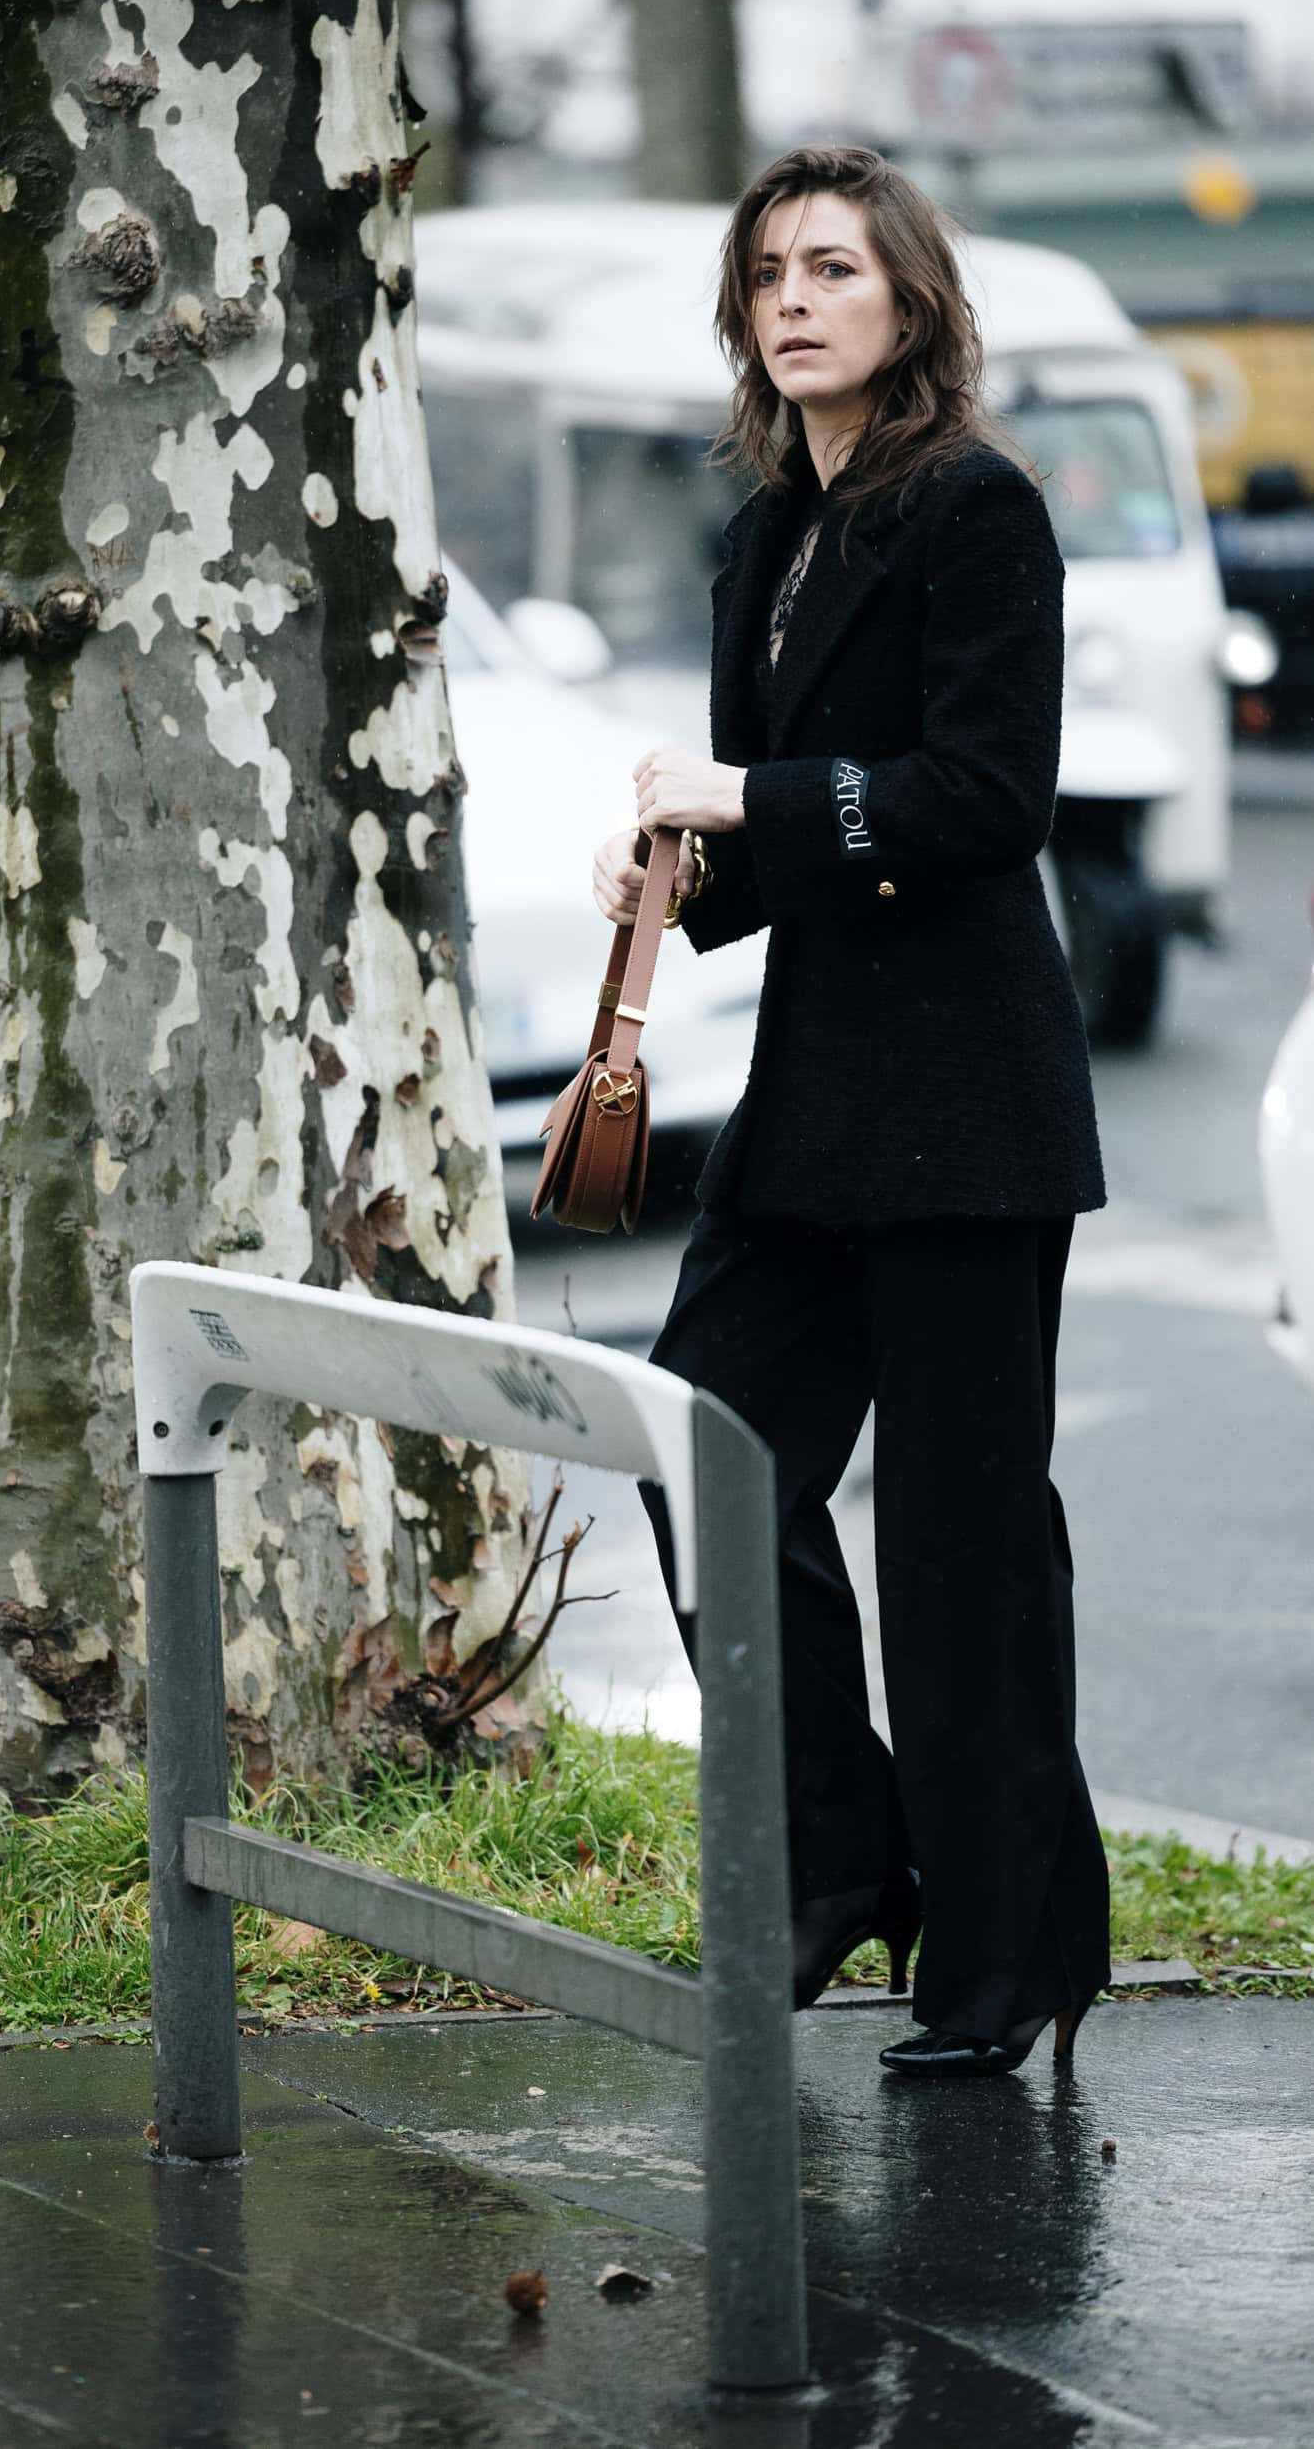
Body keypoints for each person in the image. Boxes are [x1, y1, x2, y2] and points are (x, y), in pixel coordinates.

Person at [591, 144, 1112, 2078]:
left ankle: (1005, 1955)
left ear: (911, 302)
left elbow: (988, 799)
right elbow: (780, 852)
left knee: (963, 1552)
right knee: (699, 1450)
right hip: (812, 1106)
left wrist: (747, 803)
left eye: (834, 268)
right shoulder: (764, 536)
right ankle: (844, 1854)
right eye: (768, 274)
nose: (795, 300)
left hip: (968, 1114)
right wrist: (676, 876)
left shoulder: (979, 509)